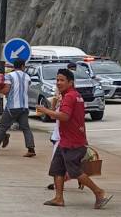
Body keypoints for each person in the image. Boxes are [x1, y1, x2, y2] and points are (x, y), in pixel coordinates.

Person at [35, 67, 109, 208]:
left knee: (74, 171)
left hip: (72, 141)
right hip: (65, 139)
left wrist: (46, 110)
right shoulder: (73, 95)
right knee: (57, 169)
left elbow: (64, 116)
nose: (58, 83)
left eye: (62, 80)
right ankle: (58, 198)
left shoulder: (70, 96)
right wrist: (53, 105)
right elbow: (59, 115)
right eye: (57, 80)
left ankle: (99, 192)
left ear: (70, 82)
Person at [0, 57, 36, 157]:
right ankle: (31, 149)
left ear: (14, 66)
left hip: (12, 106)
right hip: (24, 107)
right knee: (26, 128)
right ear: (23, 66)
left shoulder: (9, 76)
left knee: (2, 127)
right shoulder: (27, 77)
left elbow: (6, 90)